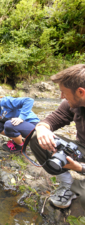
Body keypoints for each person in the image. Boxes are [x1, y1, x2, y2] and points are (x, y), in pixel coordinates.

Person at [29, 64, 85, 210]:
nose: (61, 97)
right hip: (82, 148)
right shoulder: (73, 103)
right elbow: (55, 118)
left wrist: (79, 167)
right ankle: (66, 182)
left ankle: (76, 188)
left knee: (83, 200)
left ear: (81, 92)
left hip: (81, 162)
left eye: (63, 92)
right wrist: (41, 128)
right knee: (37, 139)